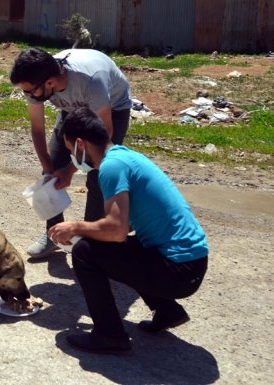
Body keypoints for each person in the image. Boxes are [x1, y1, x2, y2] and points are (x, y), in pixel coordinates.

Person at [48, 107, 209, 355]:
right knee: (121, 250)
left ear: (80, 144)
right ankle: (168, 311)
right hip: (192, 263)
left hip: (179, 271)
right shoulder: (125, 157)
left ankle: (109, 336)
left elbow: (116, 230)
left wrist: (75, 227)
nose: (73, 158)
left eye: (71, 151)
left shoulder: (111, 168)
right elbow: (126, 227)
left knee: (84, 252)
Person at [9, 47, 132, 259]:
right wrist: (49, 167)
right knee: (52, 168)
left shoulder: (91, 81)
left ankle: (91, 241)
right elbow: (37, 128)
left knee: (97, 174)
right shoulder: (36, 82)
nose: (28, 97)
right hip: (74, 108)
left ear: (50, 83)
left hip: (112, 110)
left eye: (30, 92)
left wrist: (70, 170)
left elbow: (102, 137)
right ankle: (55, 235)